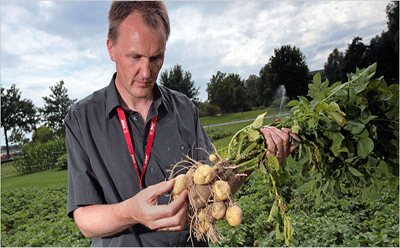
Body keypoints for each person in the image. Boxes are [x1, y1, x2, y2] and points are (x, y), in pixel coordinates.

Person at [65, 1, 298, 247]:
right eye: (135, 57)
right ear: (111, 49)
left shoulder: (184, 109)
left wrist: (257, 153)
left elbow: (216, 184)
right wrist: (132, 211)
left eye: (156, 58)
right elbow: (85, 219)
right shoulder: (82, 119)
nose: (146, 72)